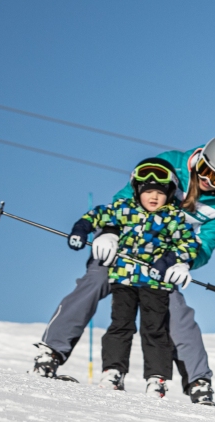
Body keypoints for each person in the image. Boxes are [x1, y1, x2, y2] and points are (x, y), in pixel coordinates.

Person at [32, 133, 215, 405]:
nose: (206, 181)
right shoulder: (170, 164)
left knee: (176, 311)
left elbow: (205, 244)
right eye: (205, 171)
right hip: (122, 250)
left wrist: (185, 262)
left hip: (160, 262)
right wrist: (108, 232)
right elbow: (125, 200)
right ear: (199, 159)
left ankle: (199, 382)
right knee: (95, 280)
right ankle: (51, 353)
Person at [71, 158, 199, 397]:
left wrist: (168, 261)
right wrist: (81, 230)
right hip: (124, 280)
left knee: (155, 330)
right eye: (148, 191)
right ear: (138, 191)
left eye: (160, 193)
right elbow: (97, 215)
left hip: (155, 283)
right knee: (120, 326)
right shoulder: (124, 209)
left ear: (170, 194)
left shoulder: (174, 218)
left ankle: (157, 378)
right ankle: (113, 371)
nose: (153, 197)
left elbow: (189, 245)